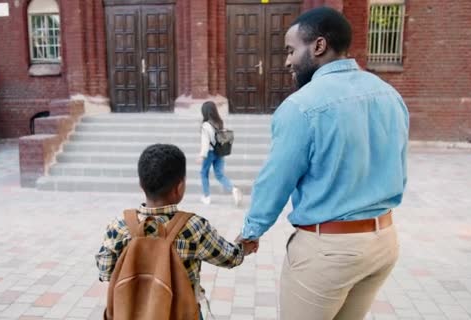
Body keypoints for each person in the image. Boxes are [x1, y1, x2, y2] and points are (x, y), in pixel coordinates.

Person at [236, 7, 409, 320]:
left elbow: (275, 180)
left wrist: (251, 232)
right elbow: (399, 170)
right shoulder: (390, 95)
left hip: (329, 249)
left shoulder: (302, 106)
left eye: (291, 50)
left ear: (318, 46)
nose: (287, 61)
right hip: (383, 241)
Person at [96, 144, 257, 319]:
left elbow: (105, 271)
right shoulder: (194, 226)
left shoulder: (118, 226)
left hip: (130, 313)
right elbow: (229, 257)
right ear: (179, 187)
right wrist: (244, 247)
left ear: (141, 185)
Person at [198, 101, 243, 206]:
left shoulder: (205, 125)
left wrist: (202, 155)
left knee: (204, 173)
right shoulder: (219, 122)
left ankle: (206, 196)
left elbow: (205, 142)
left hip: (209, 153)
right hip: (219, 152)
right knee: (219, 174)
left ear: (204, 112)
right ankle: (233, 189)